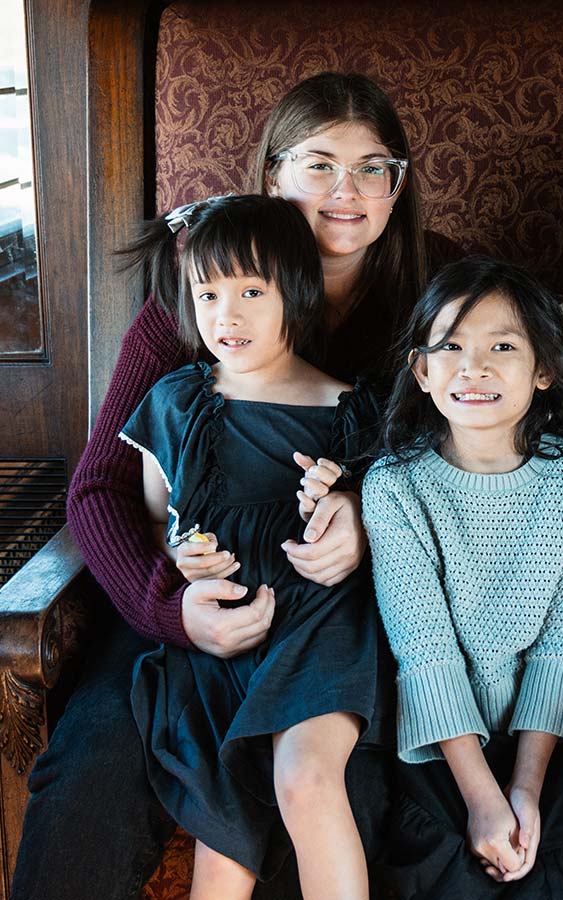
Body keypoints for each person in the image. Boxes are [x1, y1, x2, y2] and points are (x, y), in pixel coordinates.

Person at [23, 71, 443, 900]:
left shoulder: (435, 297)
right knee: (92, 768)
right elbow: (101, 487)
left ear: (398, 187)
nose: (345, 192)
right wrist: (164, 608)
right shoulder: (193, 302)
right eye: (318, 164)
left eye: (372, 168)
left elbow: (475, 457)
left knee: (334, 797)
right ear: (272, 178)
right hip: (190, 597)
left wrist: (369, 514)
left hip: (341, 616)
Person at [118, 194, 384, 899]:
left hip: (320, 621)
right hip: (220, 628)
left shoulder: (352, 410)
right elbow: (152, 522)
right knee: (222, 829)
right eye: (208, 293)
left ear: (294, 294)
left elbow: (393, 526)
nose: (226, 315)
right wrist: (177, 562)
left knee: (306, 779)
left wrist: (345, 501)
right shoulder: (174, 402)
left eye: (250, 292)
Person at [361, 259, 563, 898]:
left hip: (546, 739)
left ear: (543, 369)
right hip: (437, 743)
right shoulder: (396, 487)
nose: (473, 367)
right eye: (450, 348)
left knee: (555, 873)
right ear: (422, 372)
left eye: (502, 346)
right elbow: (424, 649)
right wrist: (483, 797)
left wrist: (523, 790)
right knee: (444, 872)